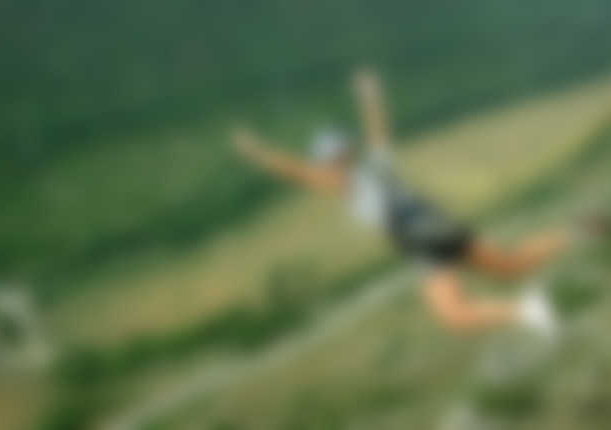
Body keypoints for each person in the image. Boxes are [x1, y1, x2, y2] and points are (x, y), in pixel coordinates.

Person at [232, 68, 576, 334]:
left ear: (333, 160)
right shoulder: (375, 165)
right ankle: (579, 232)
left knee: (456, 317)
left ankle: (526, 311)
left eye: (325, 162)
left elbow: (294, 170)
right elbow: (375, 130)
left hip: (422, 240)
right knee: (511, 265)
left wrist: (255, 152)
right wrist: (369, 93)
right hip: (438, 224)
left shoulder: (349, 181)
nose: (322, 170)